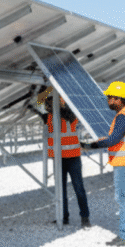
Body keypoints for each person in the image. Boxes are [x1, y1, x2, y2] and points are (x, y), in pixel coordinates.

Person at [81, 81, 125, 247]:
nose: (108, 100)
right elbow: (117, 138)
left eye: (111, 97)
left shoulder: (124, 115)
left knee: (123, 199)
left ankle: (124, 237)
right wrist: (102, 141)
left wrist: (91, 145)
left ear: (119, 98)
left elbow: (113, 140)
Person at [37, 87, 91, 228]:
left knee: (79, 188)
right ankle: (63, 217)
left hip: (73, 158)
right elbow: (39, 101)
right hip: (58, 159)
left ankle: (85, 218)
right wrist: (49, 88)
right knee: (60, 191)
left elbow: (74, 103)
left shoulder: (71, 116)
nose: (47, 106)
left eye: (50, 104)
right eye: (47, 104)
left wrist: (58, 90)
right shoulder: (48, 118)